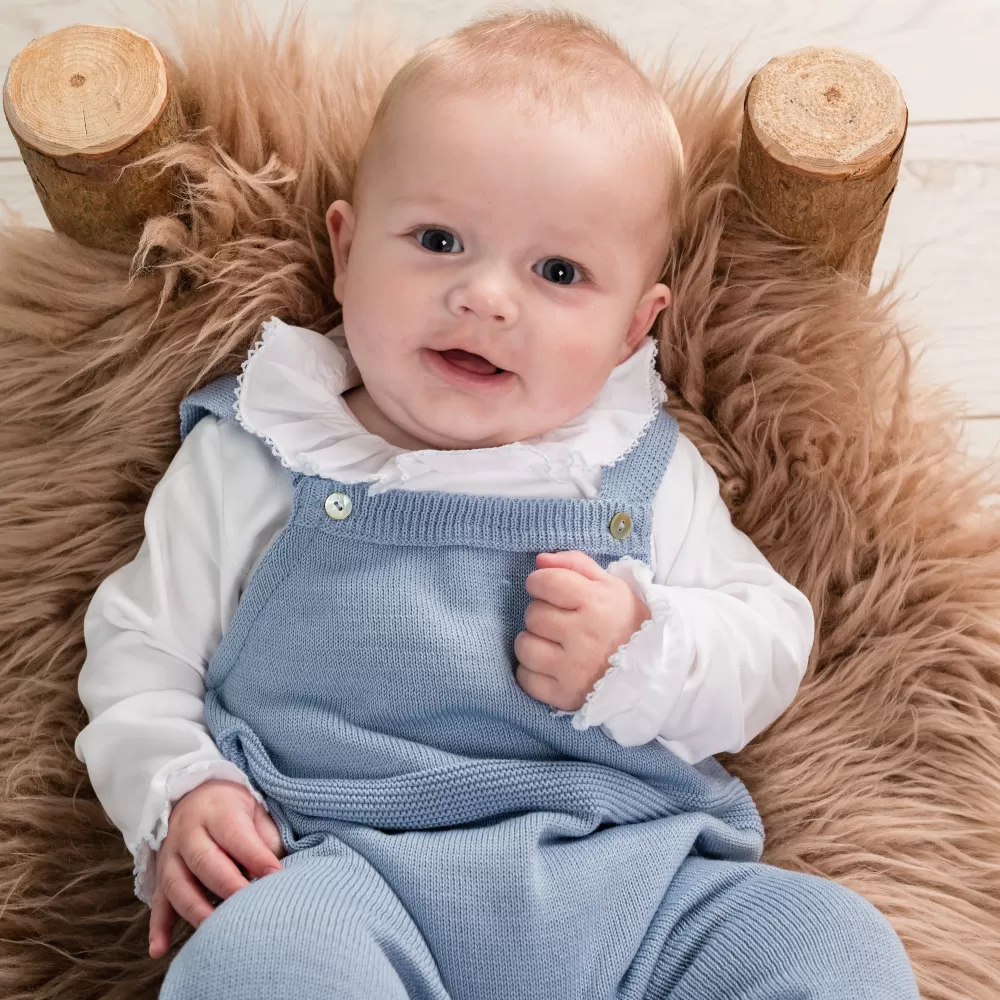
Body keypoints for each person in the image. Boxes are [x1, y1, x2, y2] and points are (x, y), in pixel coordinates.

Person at [74, 8, 920, 998]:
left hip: (640, 885)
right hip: (348, 878)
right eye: (437, 239)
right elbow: (139, 654)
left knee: (831, 942)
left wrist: (645, 645)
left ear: (629, 330)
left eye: (557, 271)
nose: (484, 296)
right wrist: (180, 787)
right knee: (253, 964)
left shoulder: (635, 465)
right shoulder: (262, 448)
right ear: (345, 253)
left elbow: (769, 640)